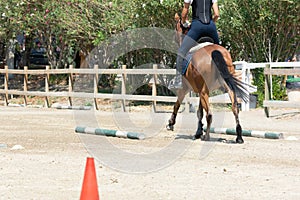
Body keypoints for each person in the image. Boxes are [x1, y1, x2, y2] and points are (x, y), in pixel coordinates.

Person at [169, 0, 220, 89]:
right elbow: (216, 14)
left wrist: (184, 23)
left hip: (197, 26)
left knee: (181, 51)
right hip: (211, 27)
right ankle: (223, 76)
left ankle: (178, 80)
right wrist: (211, 23)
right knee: (220, 51)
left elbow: (184, 14)